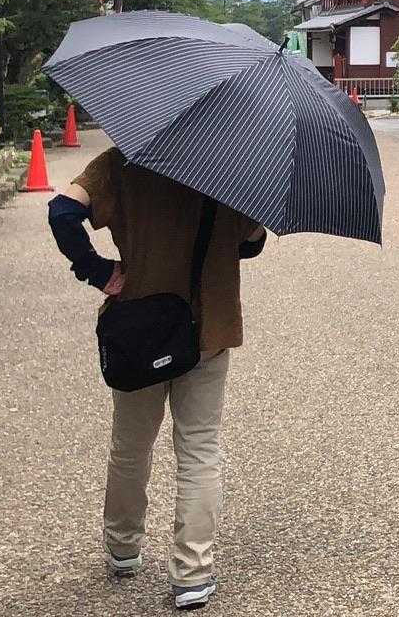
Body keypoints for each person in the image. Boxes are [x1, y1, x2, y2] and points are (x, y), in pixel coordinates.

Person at [48, 148, 268, 611]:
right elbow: (250, 244)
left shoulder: (122, 162)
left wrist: (97, 270)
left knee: (131, 445)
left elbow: (63, 212)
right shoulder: (233, 169)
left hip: (139, 329)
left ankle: (122, 547)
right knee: (200, 448)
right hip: (208, 329)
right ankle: (192, 573)